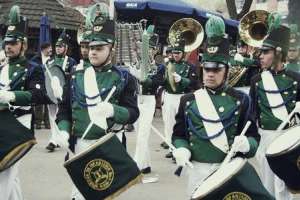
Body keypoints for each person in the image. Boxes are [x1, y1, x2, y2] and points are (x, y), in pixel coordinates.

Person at [172, 15, 264, 198]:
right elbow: (178, 135)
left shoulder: (241, 100)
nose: (210, 74)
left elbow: (254, 138)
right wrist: (181, 148)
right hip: (196, 170)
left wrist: (247, 144)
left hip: (228, 170)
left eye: (216, 70)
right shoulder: (188, 100)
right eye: (207, 69)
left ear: (227, 70)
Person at [55, 14, 139, 200]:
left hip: (108, 144)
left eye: (99, 48)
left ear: (112, 49)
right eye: (91, 48)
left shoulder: (124, 79)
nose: (92, 52)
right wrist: (63, 131)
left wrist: (113, 111)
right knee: (78, 194)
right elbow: (64, 110)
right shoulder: (75, 77)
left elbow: (133, 113)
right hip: (80, 144)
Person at [0, 5, 52, 199]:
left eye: (13, 43)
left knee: (5, 174)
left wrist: (12, 96)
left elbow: (39, 96)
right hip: (2, 123)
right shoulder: (2, 68)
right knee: (10, 177)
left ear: (23, 45)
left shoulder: (32, 68)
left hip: (19, 124)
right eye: (6, 43)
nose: (8, 47)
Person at [249, 14, 300, 200]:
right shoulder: (256, 80)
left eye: (265, 52)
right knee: (267, 184)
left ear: (278, 52)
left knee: (284, 188)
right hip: (265, 137)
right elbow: (252, 113)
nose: (260, 56)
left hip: (288, 139)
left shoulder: (296, 79)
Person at [132, 25, 165, 176]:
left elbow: (154, 83)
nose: (147, 51)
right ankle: (146, 165)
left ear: (155, 50)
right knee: (139, 132)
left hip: (149, 100)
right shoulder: (136, 63)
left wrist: (141, 76)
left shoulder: (159, 68)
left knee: (143, 134)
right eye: (145, 48)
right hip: (136, 99)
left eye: (151, 48)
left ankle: (136, 166)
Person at [162, 37, 198, 159]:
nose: (176, 55)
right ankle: (171, 149)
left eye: (178, 53)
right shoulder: (167, 65)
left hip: (181, 97)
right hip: (168, 96)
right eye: (174, 52)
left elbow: (195, 83)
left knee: (182, 124)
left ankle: (182, 149)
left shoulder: (189, 66)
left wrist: (182, 80)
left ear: (183, 53)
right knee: (168, 123)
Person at [45, 29, 77, 151]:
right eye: (56, 46)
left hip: (64, 93)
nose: (58, 48)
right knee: (52, 116)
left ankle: (55, 140)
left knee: (60, 115)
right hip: (51, 93)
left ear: (66, 47)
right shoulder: (50, 61)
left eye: (61, 46)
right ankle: (54, 138)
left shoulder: (71, 61)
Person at [31, 42, 53, 129]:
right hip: (38, 84)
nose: (51, 50)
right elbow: (32, 71)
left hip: (49, 84)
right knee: (38, 104)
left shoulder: (52, 59)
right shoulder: (35, 59)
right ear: (43, 50)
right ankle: (38, 123)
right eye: (49, 48)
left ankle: (48, 123)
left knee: (48, 103)